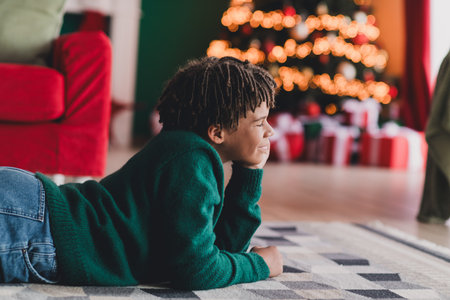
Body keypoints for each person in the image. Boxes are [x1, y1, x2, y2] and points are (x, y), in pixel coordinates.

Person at [0, 56, 283, 289]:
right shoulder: (191, 159)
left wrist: (250, 173)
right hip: (35, 224)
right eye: (260, 123)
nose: (269, 130)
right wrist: (261, 265)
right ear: (217, 132)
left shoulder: (187, 152)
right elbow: (199, 271)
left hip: (32, 215)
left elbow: (219, 249)